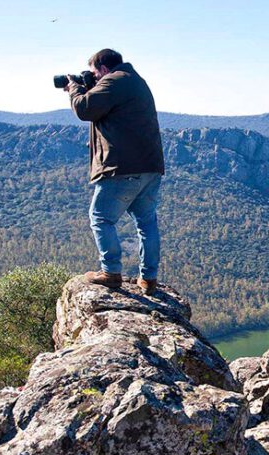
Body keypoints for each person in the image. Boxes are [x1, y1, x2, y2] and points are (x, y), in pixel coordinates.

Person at [64, 48, 164, 295]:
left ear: (104, 69)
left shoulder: (114, 80)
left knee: (101, 218)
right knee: (146, 222)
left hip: (123, 168)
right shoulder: (134, 81)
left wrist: (74, 88)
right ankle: (148, 278)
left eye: (95, 73)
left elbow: (85, 109)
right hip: (150, 167)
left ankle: (110, 273)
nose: (94, 78)